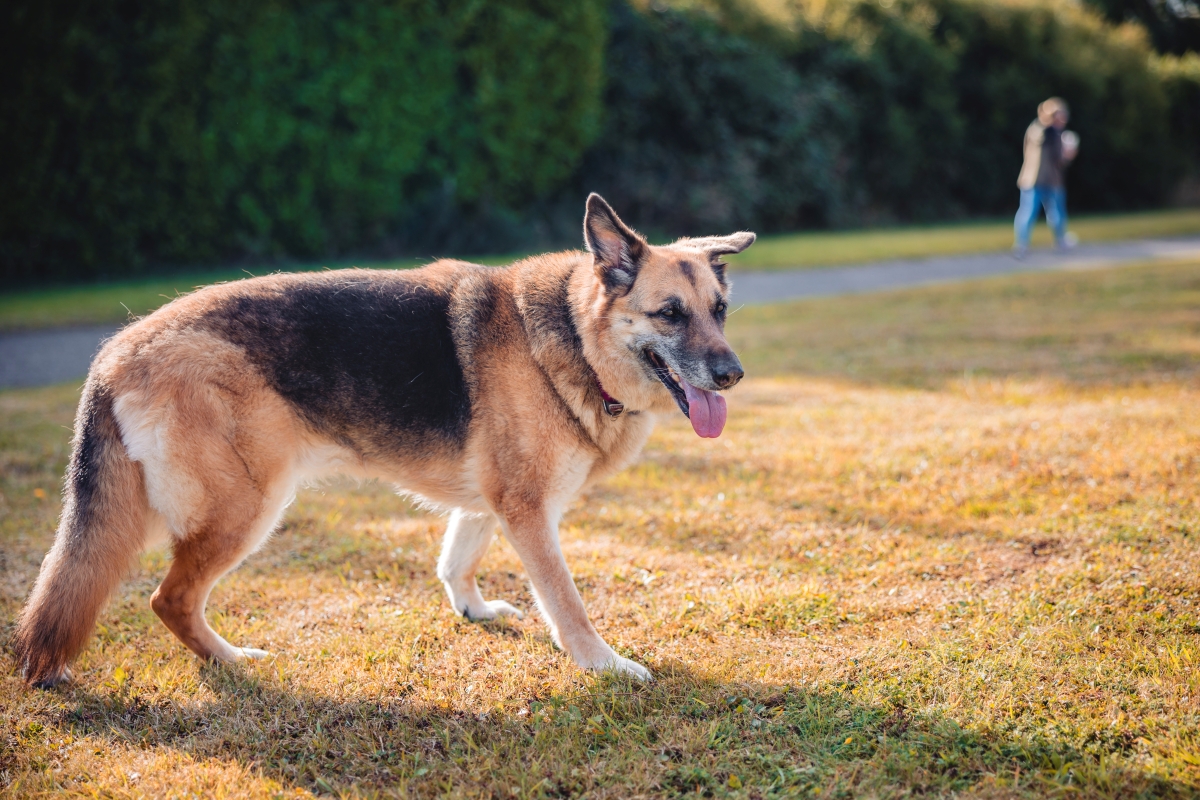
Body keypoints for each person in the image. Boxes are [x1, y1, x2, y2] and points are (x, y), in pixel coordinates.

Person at [1013, 97, 1079, 257]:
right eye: (1059, 115)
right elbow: (1040, 136)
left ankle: (1060, 240)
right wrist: (1049, 118)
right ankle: (1021, 244)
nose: (1063, 119)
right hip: (1033, 180)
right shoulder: (1039, 129)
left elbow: (1059, 160)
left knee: (1058, 213)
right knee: (1028, 213)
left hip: (1053, 180)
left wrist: (1068, 154)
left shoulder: (1057, 133)